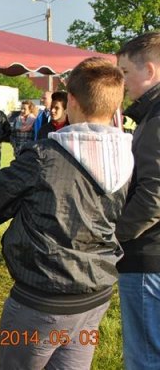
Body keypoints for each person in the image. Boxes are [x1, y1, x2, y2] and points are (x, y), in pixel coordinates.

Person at [0, 57, 133, 370]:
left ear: (72, 101)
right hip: (94, 296)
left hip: (41, 300)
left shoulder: (45, 156)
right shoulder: (126, 153)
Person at [115, 32, 160, 369]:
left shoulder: (156, 120)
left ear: (149, 70)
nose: (122, 81)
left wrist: (113, 237)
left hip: (147, 256)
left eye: (125, 72)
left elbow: (153, 197)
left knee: (144, 357)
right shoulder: (150, 116)